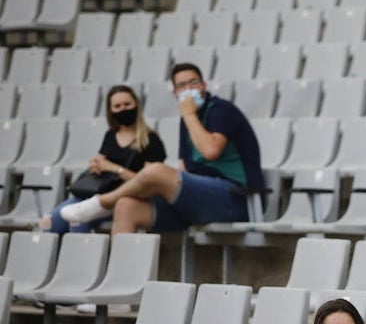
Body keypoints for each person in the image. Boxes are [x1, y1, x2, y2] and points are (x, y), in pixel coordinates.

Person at [61, 62, 264, 234]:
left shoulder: (220, 110)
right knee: (127, 206)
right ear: (175, 92)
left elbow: (210, 151)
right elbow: (185, 168)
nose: (188, 89)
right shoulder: (186, 121)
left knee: (156, 171)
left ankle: (103, 203)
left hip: (236, 198)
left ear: (204, 85)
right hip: (198, 200)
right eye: (182, 86)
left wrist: (190, 115)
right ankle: (122, 277)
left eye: (193, 83)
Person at [42, 85, 167, 233]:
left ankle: (79, 255)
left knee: (79, 219)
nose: (123, 109)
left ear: (136, 105)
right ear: (111, 111)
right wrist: (97, 165)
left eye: (127, 104)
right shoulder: (110, 135)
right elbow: (102, 162)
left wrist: (115, 168)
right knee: (49, 222)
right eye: (117, 106)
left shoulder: (151, 140)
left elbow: (148, 184)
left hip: (125, 199)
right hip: (97, 195)